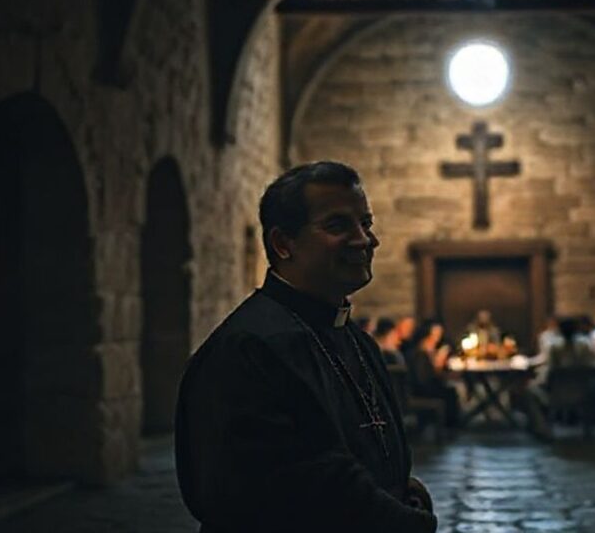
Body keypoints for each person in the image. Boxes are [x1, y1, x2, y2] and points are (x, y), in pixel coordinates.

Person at [175, 162, 436, 532]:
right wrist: (404, 522)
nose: (364, 239)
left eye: (366, 223)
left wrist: (400, 488)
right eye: (338, 225)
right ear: (284, 244)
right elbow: (287, 488)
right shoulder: (250, 347)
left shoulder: (354, 338)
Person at [403, 320, 460, 427]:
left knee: (451, 390)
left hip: (426, 385)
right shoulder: (421, 351)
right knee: (450, 392)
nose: (437, 337)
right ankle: (450, 427)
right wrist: (438, 363)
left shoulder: (430, 349)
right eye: (435, 333)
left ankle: (451, 426)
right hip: (422, 390)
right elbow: (424, 376)